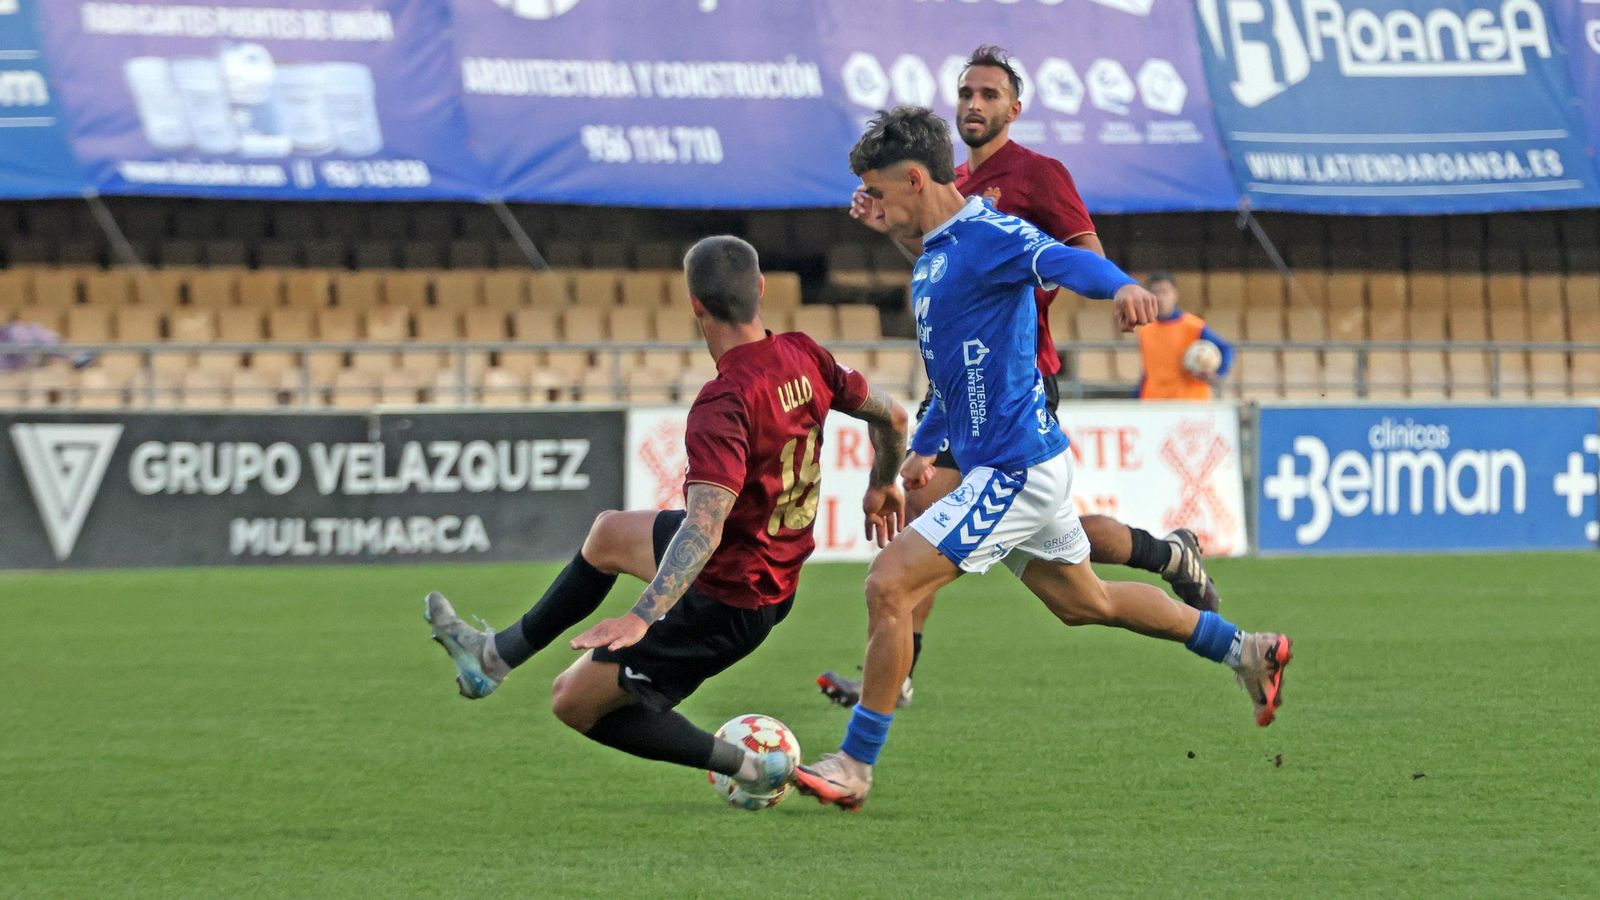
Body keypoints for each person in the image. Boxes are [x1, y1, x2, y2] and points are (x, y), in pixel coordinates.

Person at [794, 108, 1293, 812]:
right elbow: (953, 369)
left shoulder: (988, 234)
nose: (873, 206)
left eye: (880, 192)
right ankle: (1247, 648)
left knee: (889, 586)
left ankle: (854, 762)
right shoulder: (935, 258)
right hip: (1018, 462)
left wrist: (1119, 284)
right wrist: (925, 446)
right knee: (1086, 602)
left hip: (1013, 470)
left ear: (914, 177)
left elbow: (1061, 259)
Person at [424, 235, 910, 795]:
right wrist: (882, 484)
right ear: (760, 290)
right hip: (765, 569)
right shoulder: (804, 354)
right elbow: (893, 418)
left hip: (728, 600)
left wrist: (643, 613)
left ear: (695, 304)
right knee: (609, 534)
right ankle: (492, 658)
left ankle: (754, 768)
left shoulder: (724, 402)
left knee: (573, 703)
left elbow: (704, 527)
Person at [820, 45, 1218, 710]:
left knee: (959, 517)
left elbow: (1076, 254)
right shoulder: (947, 186)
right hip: (961, 374)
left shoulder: (1038, 173)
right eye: (967, 93)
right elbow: (938, 262)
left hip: (1016, 372)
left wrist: (1095, 292)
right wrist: (887, 224)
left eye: (989, 94)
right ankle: (1167, 554)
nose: (975, 104)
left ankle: (897, 674)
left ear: (1014, 107)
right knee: (1032, 540)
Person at [1138, 271, 1235, 401]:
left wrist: (1218, 374)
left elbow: (1225, 348)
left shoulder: (1193, 325)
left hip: (1189, 401)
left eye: (1165, 292)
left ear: (1175, 295)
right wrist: (1136, 396)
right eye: (1155, 292)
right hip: (1154, 401)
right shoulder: (1145, 328)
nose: (1160, 298)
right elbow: (1148, 370)